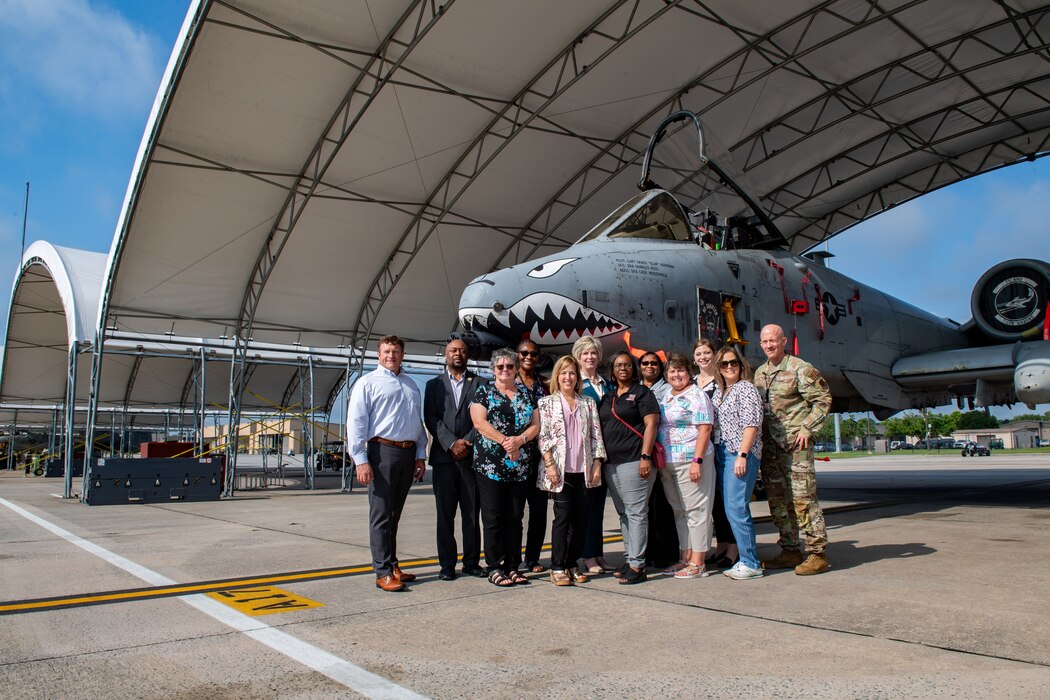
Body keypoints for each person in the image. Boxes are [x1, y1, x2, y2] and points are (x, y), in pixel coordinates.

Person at [348, 335, 427, 592]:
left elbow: (417, 423)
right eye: (386, 351)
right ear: (378, 355)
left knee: (395, 514)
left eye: (395, 351)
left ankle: (393, 565)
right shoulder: (367, 383)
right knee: (381, 514)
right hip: (381, 451)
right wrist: (360, 460)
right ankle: (382, 571)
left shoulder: (411, 385)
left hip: (407, 452)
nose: (390, 355)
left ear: (402, 354)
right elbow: (357, 423)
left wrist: (420, 455)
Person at [754, 324, 833, 575]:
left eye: (773, 341)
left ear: (783, 341)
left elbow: (823, 400)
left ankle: (817, 553)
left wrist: (807, 429)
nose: (769, 345)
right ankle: (790, 549)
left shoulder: (800, 368)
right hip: (770, 447)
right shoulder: (760, 374)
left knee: (803, 499)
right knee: (778, 501)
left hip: (795, 446)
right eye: (765, 342)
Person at [470, 348, 541, 587]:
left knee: (515, 517)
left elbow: (535, 424)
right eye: (500, 367)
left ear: (515, 368)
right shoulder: (484, 393)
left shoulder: (526, 395)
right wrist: (505, 441)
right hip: (491, 466)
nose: (505, 370)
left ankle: (512, 565)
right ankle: (494, 566)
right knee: (493, 517)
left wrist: (520, 441)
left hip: (519, 465)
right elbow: (479, 423)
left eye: (509, 366)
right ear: (493, 370)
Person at [537, 355, 607, 586]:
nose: (568, 377)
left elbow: (596, 436)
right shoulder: (546, 403)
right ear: (557, 376)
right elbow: (544, 437)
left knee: (581, 520)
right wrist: (549, 464)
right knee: (563, 519)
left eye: (572, 373)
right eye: (564, 373)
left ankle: (571, 563)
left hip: (584, 470)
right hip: (560, 471)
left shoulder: (588, 403)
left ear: (578, 378)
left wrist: (597, 463)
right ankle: (557, 566)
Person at [423, 339, 487, 581]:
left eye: (461, 350)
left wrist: (466, 443)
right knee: (445, 514)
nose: (457, 354)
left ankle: (471, 562)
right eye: (453, 350)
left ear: (467, 355)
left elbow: (483, 418)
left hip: (471, 458)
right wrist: (451, 443)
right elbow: (432, 418)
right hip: (444, 458)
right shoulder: (434, 385)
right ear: (445, 355)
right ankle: (447, 565)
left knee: (472, 514)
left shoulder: (481, 384)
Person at [598, 351, 660, 584]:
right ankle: (630, 557)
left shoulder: (643, 393)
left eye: (627, 365)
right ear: (612, 371)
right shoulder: (609, 397)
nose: (623, 368)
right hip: (611, 464)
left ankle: (638, 565)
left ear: (633, 369)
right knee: (624, 513)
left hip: (635, 460)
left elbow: (651, 424)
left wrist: (646, 456)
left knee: (636, 513)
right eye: (618, 365)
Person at [656, 352, 716, 579]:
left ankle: (698, 562)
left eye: (680, 370)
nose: (676, 375)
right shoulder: (666, 396)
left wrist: (697, 461)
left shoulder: (697, 395)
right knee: (680, 511)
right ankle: (685, 557)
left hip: (692, 459)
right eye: (672, 371)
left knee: (697, 510)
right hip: (669, 462)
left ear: (688, 373)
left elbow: (705, 428)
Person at [711, 345, 764, 581]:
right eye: (724, 364)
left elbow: (752, 424)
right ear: (718, 369)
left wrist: (743, 455)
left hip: (739, 453)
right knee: (731, 509)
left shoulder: (745, 389)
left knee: (737, 508)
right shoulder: (719, 392)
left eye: (734, 363)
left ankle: (751, 562)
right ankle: (745, 559)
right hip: (723, 453)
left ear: (741, 366)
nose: (729, 367)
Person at [572, 336, 614, 574]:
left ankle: (597, 553)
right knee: (586, 507)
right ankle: (587, 554)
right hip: (585, 453)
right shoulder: (575, 383)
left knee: (598, 507)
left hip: (605, 453)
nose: (590, 357)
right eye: (585, 353)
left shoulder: (606, 383)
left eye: (594, 353)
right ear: (578, 356)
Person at [694, 338, 737, 568]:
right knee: (713, 501)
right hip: (700, 446)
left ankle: (733, 548)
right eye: (699, 353)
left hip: (722, 444)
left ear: (714, 355)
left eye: (707, 353)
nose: (703, 357)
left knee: (726, 497)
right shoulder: (692, 382)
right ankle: (721, 545)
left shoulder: (722, 381)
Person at [638, 350, 679, 570]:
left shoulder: (668, 389)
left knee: (663, 505)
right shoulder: (636, 389)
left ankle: (666, 553)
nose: (649, 366)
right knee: (646, 506)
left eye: (654, 363)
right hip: (643, 452)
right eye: (645, 363)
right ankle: (647, 551)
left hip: (663, 452)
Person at [516, 339, 550, 573]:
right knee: (515, 513)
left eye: (533, 354)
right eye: (524, 353)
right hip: (515, 456)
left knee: (539, 513)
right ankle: (513, 557)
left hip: (540, 457)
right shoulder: (508, 383)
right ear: (517, 355)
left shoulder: (545, 386)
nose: (529, 357)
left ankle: (533, 558)